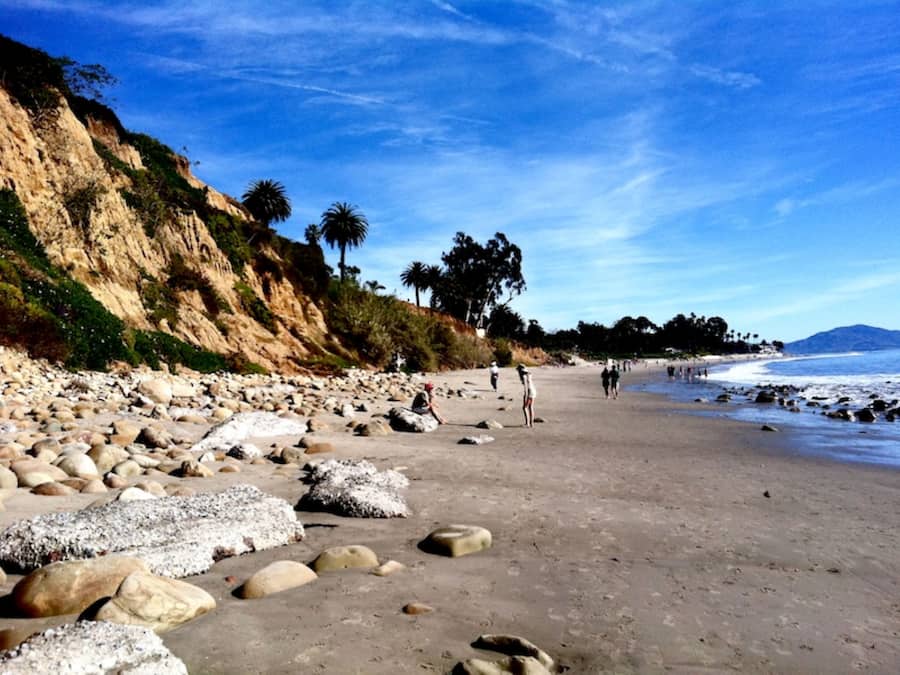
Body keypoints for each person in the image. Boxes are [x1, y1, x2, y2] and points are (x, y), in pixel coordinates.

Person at [517, 364, 536, 428]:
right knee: (531, 407)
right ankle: (531, 423)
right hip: (533, 391)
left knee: (524, 407)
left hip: (529, 392)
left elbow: (526, 388)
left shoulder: (524, 376)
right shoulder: (529, 374)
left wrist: (525, 396)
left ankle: (527, 423)